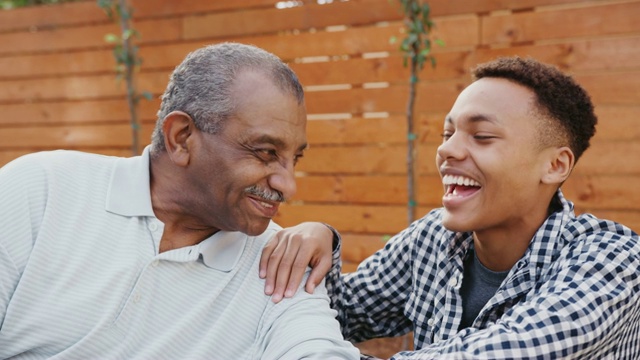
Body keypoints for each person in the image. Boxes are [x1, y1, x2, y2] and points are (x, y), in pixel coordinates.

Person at [261, 57, 640, 359]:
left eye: (482, 136)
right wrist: (321, 238)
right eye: (448, 134)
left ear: (555, 165)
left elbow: (505, 351)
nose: (446, 150)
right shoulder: (433, 239)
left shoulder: (612, 261)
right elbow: (342, 310)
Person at [0, 42, 360, 359]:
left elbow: (317, 348)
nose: (288, 185)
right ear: (182, 137)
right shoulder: (42, 189)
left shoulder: (279, 266)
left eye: (294, 159)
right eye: (266, 152)